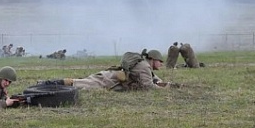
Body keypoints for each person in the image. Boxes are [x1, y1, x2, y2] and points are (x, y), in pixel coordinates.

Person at [39, 49, 170, 91]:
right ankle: (48, 84)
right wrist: (164, 88)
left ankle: (49, 83)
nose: (161, 64)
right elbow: (148, 86)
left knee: (80, 83)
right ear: (153, 59)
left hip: (108, 77)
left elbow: (153, 78)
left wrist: (164, 83)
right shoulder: (145, 67)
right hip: (107, 81)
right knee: (79, 84)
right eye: (160, 61)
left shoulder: (143, 64)